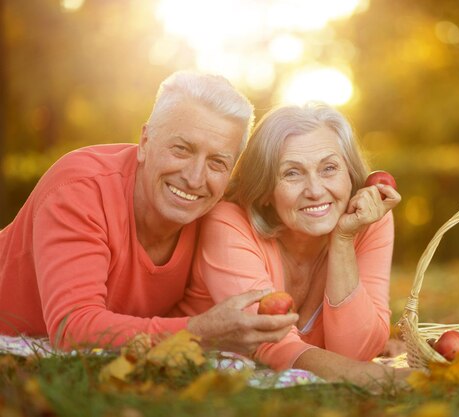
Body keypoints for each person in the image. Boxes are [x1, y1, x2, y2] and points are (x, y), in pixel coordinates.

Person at [0, 70, 298, 353]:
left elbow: (176, 322)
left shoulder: (215, 218)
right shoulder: (81, 188)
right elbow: (71, 327)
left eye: (217, 162)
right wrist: (199, 333)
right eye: (181, 149)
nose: (195, 179)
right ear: (145, 142)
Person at [178, 102, 408, 386]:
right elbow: (268, 342)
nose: (314, 190)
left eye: (329, 168)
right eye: (292, 173)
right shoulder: (227, 221)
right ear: (264, 190)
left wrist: (343, 239)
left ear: (350, 175)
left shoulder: (370, 220)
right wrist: (382, 379)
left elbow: (357, 351)